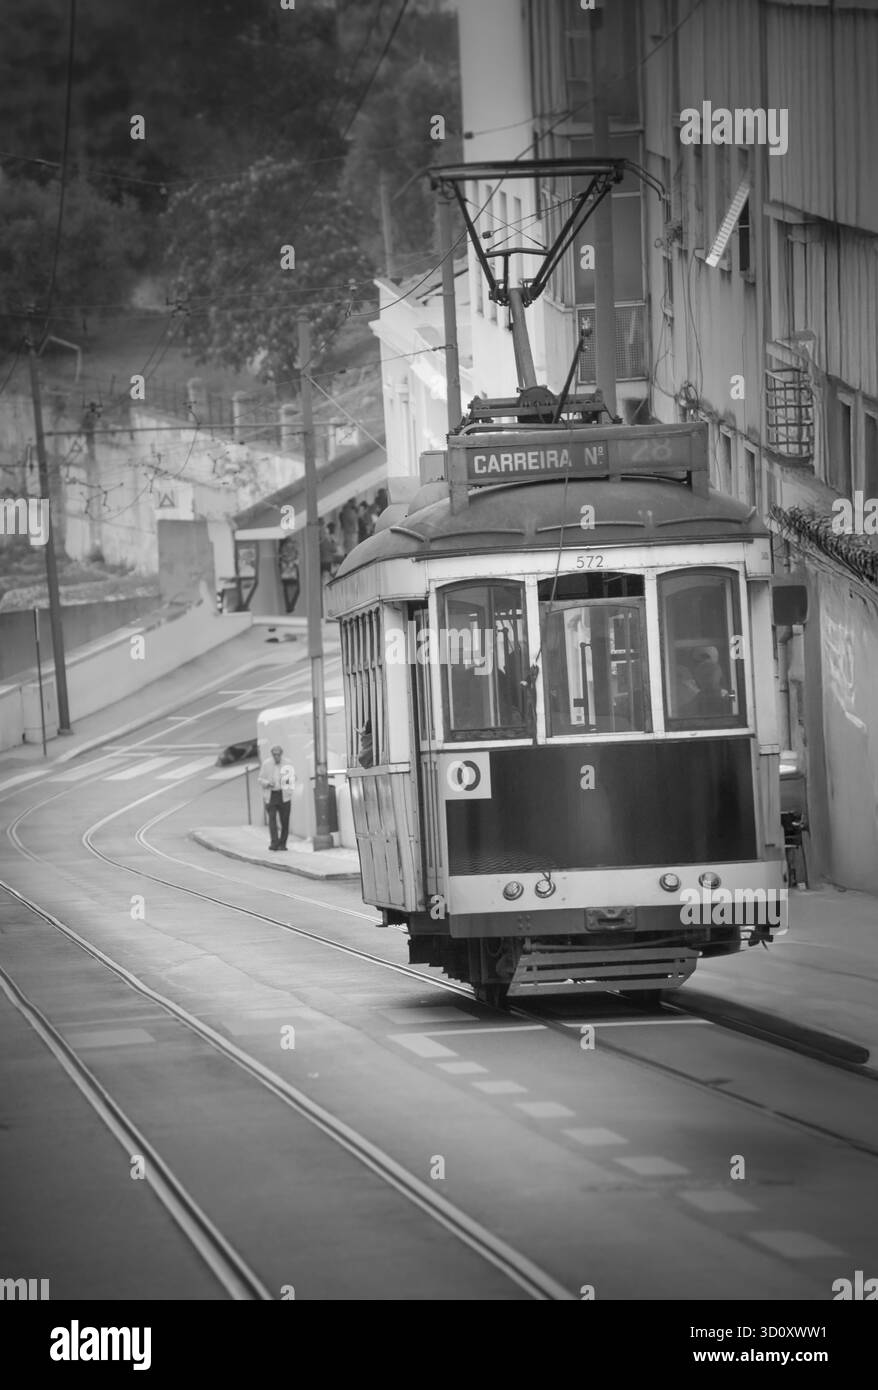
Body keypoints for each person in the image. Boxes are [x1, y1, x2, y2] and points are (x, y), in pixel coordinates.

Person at [259, 744, 296, 850]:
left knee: (285, 820)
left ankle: (283, 843)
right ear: (272, 755)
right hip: (272, 794)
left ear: (281, 754)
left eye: (278, 755)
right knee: (272, 819)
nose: (276, 757)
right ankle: (274, 842)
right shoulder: (266, 764)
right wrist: (267, 783)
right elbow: (260, 779)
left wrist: (287, 787)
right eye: (274, 755)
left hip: (284, 794)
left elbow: (292, 779)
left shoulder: (288, 764)